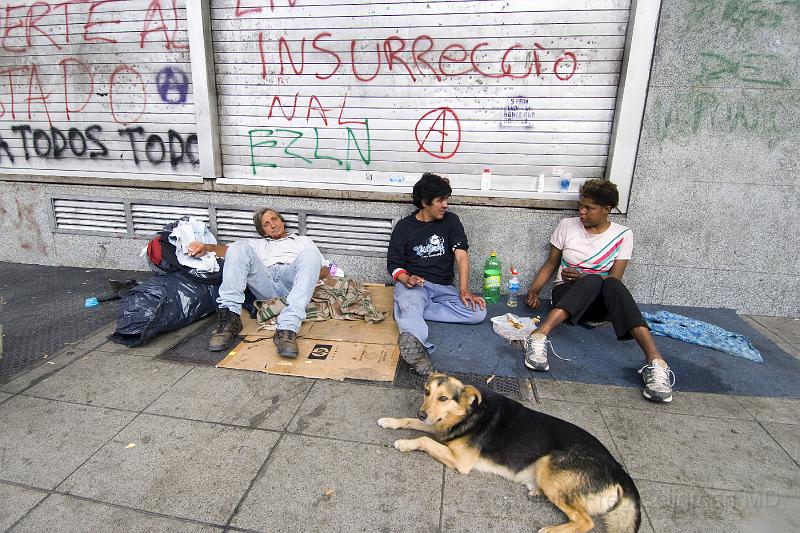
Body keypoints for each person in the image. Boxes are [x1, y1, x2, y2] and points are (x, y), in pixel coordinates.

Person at [525, 178, 675, 403]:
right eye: (580, 206)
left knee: (609, 283)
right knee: (595, 281)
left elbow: (615, 277)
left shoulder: (623, 234)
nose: (582, 212)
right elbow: (550, 263)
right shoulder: (566, 225)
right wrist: (534, 290)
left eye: (589, 208)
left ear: (607, 210)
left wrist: (586, 277)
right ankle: (538, 338)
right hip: (565, 295)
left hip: (600, 306)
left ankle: (656, 363)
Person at [187, 208, 328, 357]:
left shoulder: (303, 241)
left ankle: (287, 329)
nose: (272, 225)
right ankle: (230, 319)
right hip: (265, 280)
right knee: (238, 246)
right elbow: (226, 251)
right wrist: (206, 247)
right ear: (263, 231)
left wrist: (306, 276)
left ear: (282, 221)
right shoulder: (257, 244)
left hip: (291, 278)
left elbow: (324, 269)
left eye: (274, 219)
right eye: (266, 224)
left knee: (310, 256)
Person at [387, 173, 487, 375]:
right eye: (440, 200)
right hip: (415, 286)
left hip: (444, 288)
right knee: (411, 300)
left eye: (446, 200)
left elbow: (461, 255)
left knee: (478, 312)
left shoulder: (451, 221)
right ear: (424, 202)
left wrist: (464, 289)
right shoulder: (404, 227)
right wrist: (407, 279)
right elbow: (394, 265)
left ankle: (409, 313)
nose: (446, 205)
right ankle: (419, 350)